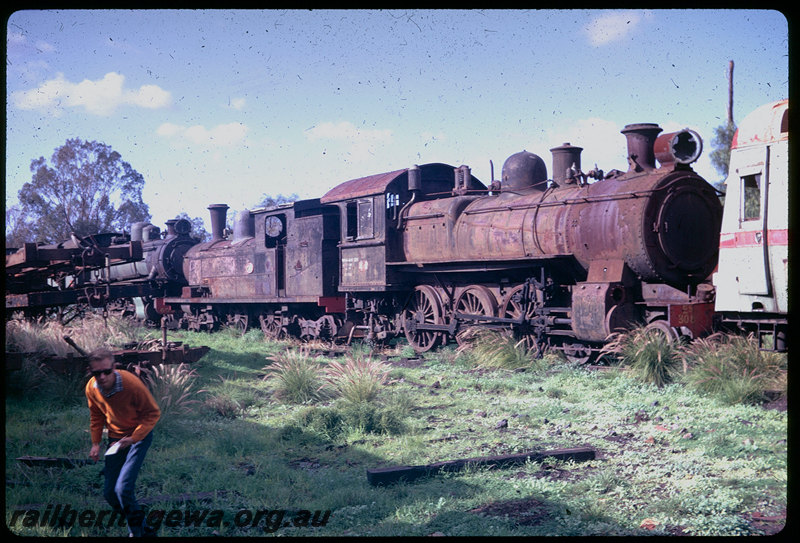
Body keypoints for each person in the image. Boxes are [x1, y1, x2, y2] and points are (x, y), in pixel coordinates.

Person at [86, 350, 161, 537]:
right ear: (91, 372)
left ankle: (136, 533)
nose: (102, 377)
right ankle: (144, 528)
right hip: (116, 440)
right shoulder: (91, 388)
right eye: (96, 373)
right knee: (110, 493)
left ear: (114, 368)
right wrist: (96, 443)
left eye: (106, 371)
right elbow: (96, 415)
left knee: (123, 489)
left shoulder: (131, 384)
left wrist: (134, 438)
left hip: (138, 436)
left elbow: (153, 413)